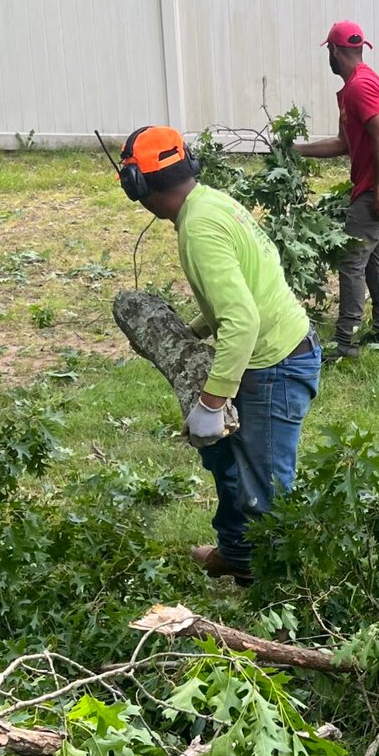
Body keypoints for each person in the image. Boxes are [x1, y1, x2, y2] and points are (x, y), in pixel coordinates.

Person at [119, 126, 320, 583]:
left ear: (137, 185)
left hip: (276, 365)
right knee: (229, 461)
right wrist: (192, 331)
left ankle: (274, 586)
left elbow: (242, 320)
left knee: (264, 485)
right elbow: (243, 289)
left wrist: (211, 403)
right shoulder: (210, 202)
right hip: (272, 354)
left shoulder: (199, 229)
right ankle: (236, 552)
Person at [295, 20, 379, 360]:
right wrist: (297, 150)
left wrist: (377, 190)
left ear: (333, 50)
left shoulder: (360, 87)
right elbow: (344, 143)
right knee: (373, 258)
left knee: (351, 260)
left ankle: (345, 342)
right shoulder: (357, 85)